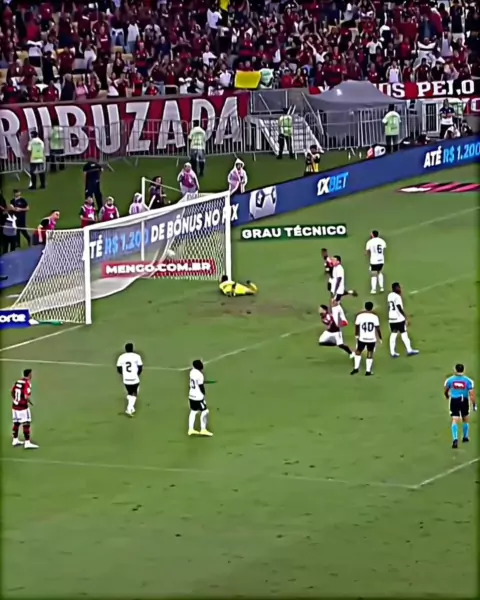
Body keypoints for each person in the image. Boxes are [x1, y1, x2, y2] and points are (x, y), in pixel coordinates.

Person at [444, 364, 476, 449]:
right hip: (464, 400)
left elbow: (446, 389)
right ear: (463, 370)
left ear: (455, 370)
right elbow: (471, 394)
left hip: (454, 400)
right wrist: (474, 404)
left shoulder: (450, 380)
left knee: (455, 419)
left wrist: (447, 395)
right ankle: (465, 437)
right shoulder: (468, 381)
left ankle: (455, 439)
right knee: (465, 418)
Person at [387, 282, 419, 358]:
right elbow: (399, 307)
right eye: (399, 287)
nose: (400, 289)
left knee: (393, 334)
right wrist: (406, 317)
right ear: (396, 288)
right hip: (398, 318)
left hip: (391, 318)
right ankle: (409, 350)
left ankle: (392, 352)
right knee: (404, 333)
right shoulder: (397, 297)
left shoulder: (390, 295)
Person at [351, 301, 382, 376]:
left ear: (365, 307)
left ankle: (356, 368)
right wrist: (380, 337)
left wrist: (356, 335)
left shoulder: (360, 316)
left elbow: (357, 326)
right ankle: (368, 371)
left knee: (358, 352)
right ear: (372, 308)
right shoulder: (375, 317)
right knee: (370, 353)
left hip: (362, 338)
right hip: (371, 338)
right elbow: (377, 328)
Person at [11, 369, 39, 449]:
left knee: (16, 422)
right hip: (22, 407)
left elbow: (12, 392)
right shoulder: (27, 383)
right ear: (29, 375)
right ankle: (27, 442)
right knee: (26, 423)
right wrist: (30, 402)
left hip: (15, 405)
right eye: (31, 374)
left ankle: (15, 440)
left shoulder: (18, 381)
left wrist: (16, 400)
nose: (32, 375)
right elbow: (26, 396)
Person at [116, 342, 144, 417]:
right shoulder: (136, 356)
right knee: (135, 393)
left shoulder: (121, 357)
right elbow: (140, 367)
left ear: (125, 349)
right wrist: (137, 374)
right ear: (132, 348)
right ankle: (129, 409)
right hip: (134, 378)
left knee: (130, 393)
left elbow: (118, 368)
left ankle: (131, 407)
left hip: (126, 379)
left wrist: (124, 374)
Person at [188, 359, 213, 437]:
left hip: (191, 395)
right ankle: (203, 429)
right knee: (205, 411)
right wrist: (203, 394)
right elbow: (201, 386)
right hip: (198, 397)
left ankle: (190, 429)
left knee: (193, 411)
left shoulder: (191, 372)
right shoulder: (200, 375)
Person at [365, 230, 386, 294]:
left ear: (372, 235)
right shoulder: (382, 241)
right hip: (381, 260)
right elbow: (383, 249)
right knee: (379, 272)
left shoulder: (370, 242)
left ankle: (373, 289)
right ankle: (382, 287)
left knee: (374, 274)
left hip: (374, 261)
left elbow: (367, 252)